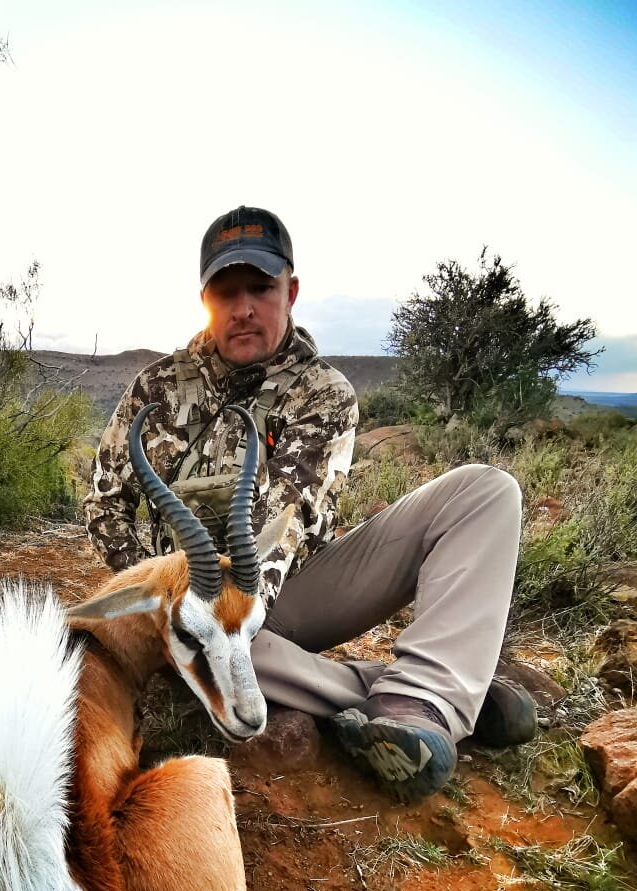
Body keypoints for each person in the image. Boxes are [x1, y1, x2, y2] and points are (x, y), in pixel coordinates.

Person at [84, 206, 536, 802]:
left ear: (290, 292)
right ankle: (417, 697)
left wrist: (237, 606)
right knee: (208, 648)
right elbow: (105, 506)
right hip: (186, 609)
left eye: (261, 288)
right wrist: (168, 593)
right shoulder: (155, 388)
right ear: (205, 300)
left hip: (288, 590)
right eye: (226, 291)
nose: (243, 307)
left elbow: (294, 514)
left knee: (487, 492)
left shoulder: (324, 393)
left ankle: (426, 694)